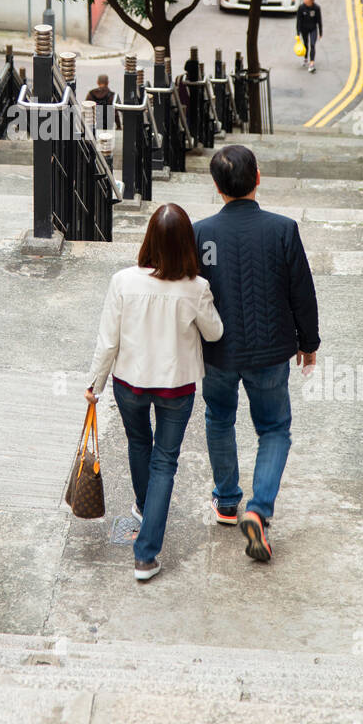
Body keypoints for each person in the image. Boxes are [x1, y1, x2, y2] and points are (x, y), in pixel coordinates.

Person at [193, 145, 319, 562]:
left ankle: (227, 502)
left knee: (218, 417)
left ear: (216, 187)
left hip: (217, 351)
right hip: (270, 350)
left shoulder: (201, 233)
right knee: (274, 429)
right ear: (258, 178)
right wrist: (309, 342)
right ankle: (259, 513)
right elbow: (301, 290)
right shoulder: (283, 230)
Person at [85, 204, 223, 582]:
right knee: (165, 461)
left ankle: (145, 507)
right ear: (186, 245)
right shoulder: (196, 288)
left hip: (129, 381)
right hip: (176, 385)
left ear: (148, 239)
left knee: (138, 443)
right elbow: (215, 333)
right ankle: (145, 556)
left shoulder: (123, 282)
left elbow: (107, 341)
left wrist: (93, 385)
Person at [296, 0, 323, 72]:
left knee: (312, 45)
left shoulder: (316, 8)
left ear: (311, 0)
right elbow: (298, 21)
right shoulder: (301, 8)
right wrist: (298, 32)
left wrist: (321, 32)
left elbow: (319, 20)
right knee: (306, 44)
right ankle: (305, 58)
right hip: (304, 29)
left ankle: (312, 63)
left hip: (313, 29)